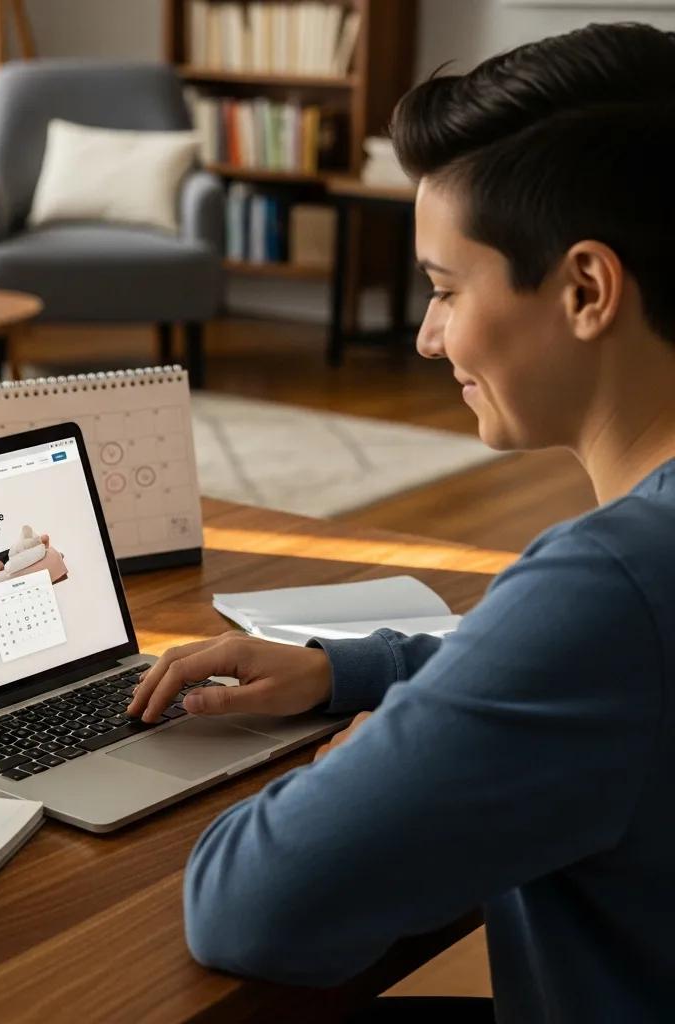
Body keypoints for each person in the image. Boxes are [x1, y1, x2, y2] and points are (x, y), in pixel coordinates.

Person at [126, 22, 675, 1024]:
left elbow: (247, 907)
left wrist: (355, 767)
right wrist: (351, 671)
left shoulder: (614, 581)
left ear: (586, 288)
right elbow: (601, 681)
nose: (427, 337)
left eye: (444, 288)